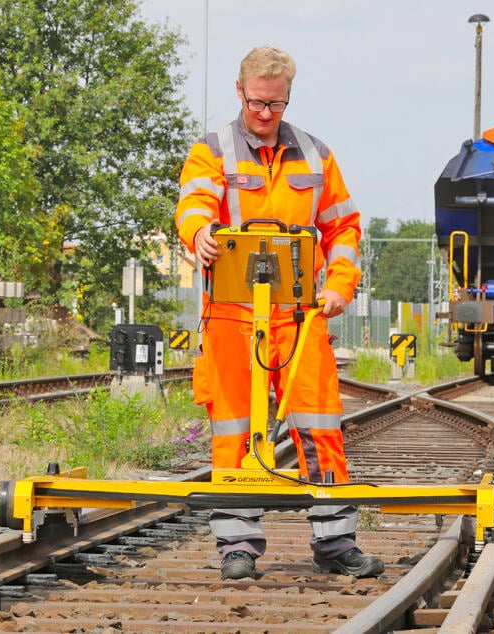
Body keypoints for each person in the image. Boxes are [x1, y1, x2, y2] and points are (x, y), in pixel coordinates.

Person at [174, 46, 384, 581]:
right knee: (235, 430)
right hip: (229, 316)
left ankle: (335, 542)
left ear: (288, 96)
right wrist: (199, 232)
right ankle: (237, 545)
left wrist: (339, 285)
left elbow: (343, 228)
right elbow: (195, 201)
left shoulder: (315, 155)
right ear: (239, 91)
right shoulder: (212, 150)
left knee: (320, 425)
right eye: (256, 103)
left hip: (299, 317)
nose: (265, 115)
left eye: (276, 104)